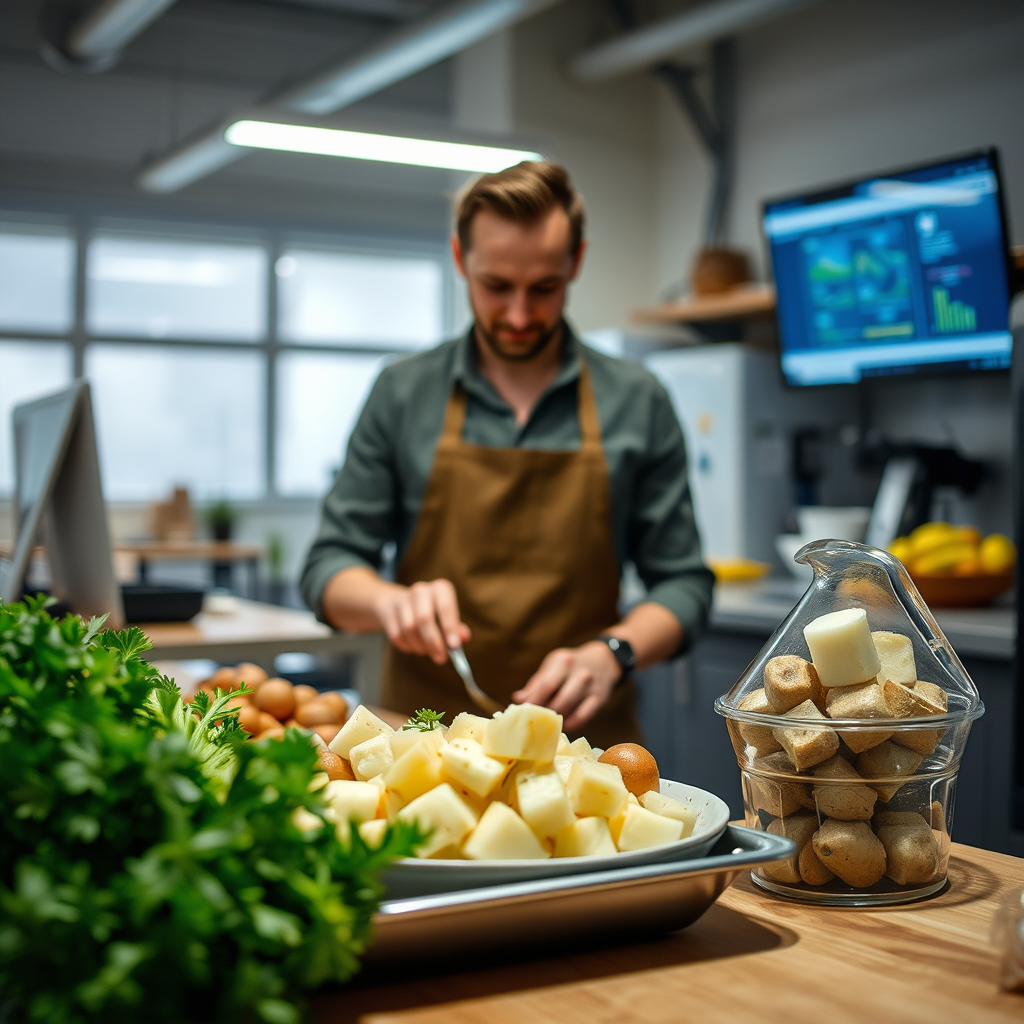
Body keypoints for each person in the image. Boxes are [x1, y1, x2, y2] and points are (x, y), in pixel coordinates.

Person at [301, 161, 713, 747]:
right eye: (496, 286)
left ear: (575, 262)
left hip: (585, 751)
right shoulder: (404, 390)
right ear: (459, 259)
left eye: (544, 288)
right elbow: (327, 569)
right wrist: (390, 602)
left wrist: (613, 652)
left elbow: (684, 587)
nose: (519, 316)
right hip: (424, 746)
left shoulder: (636, 399)